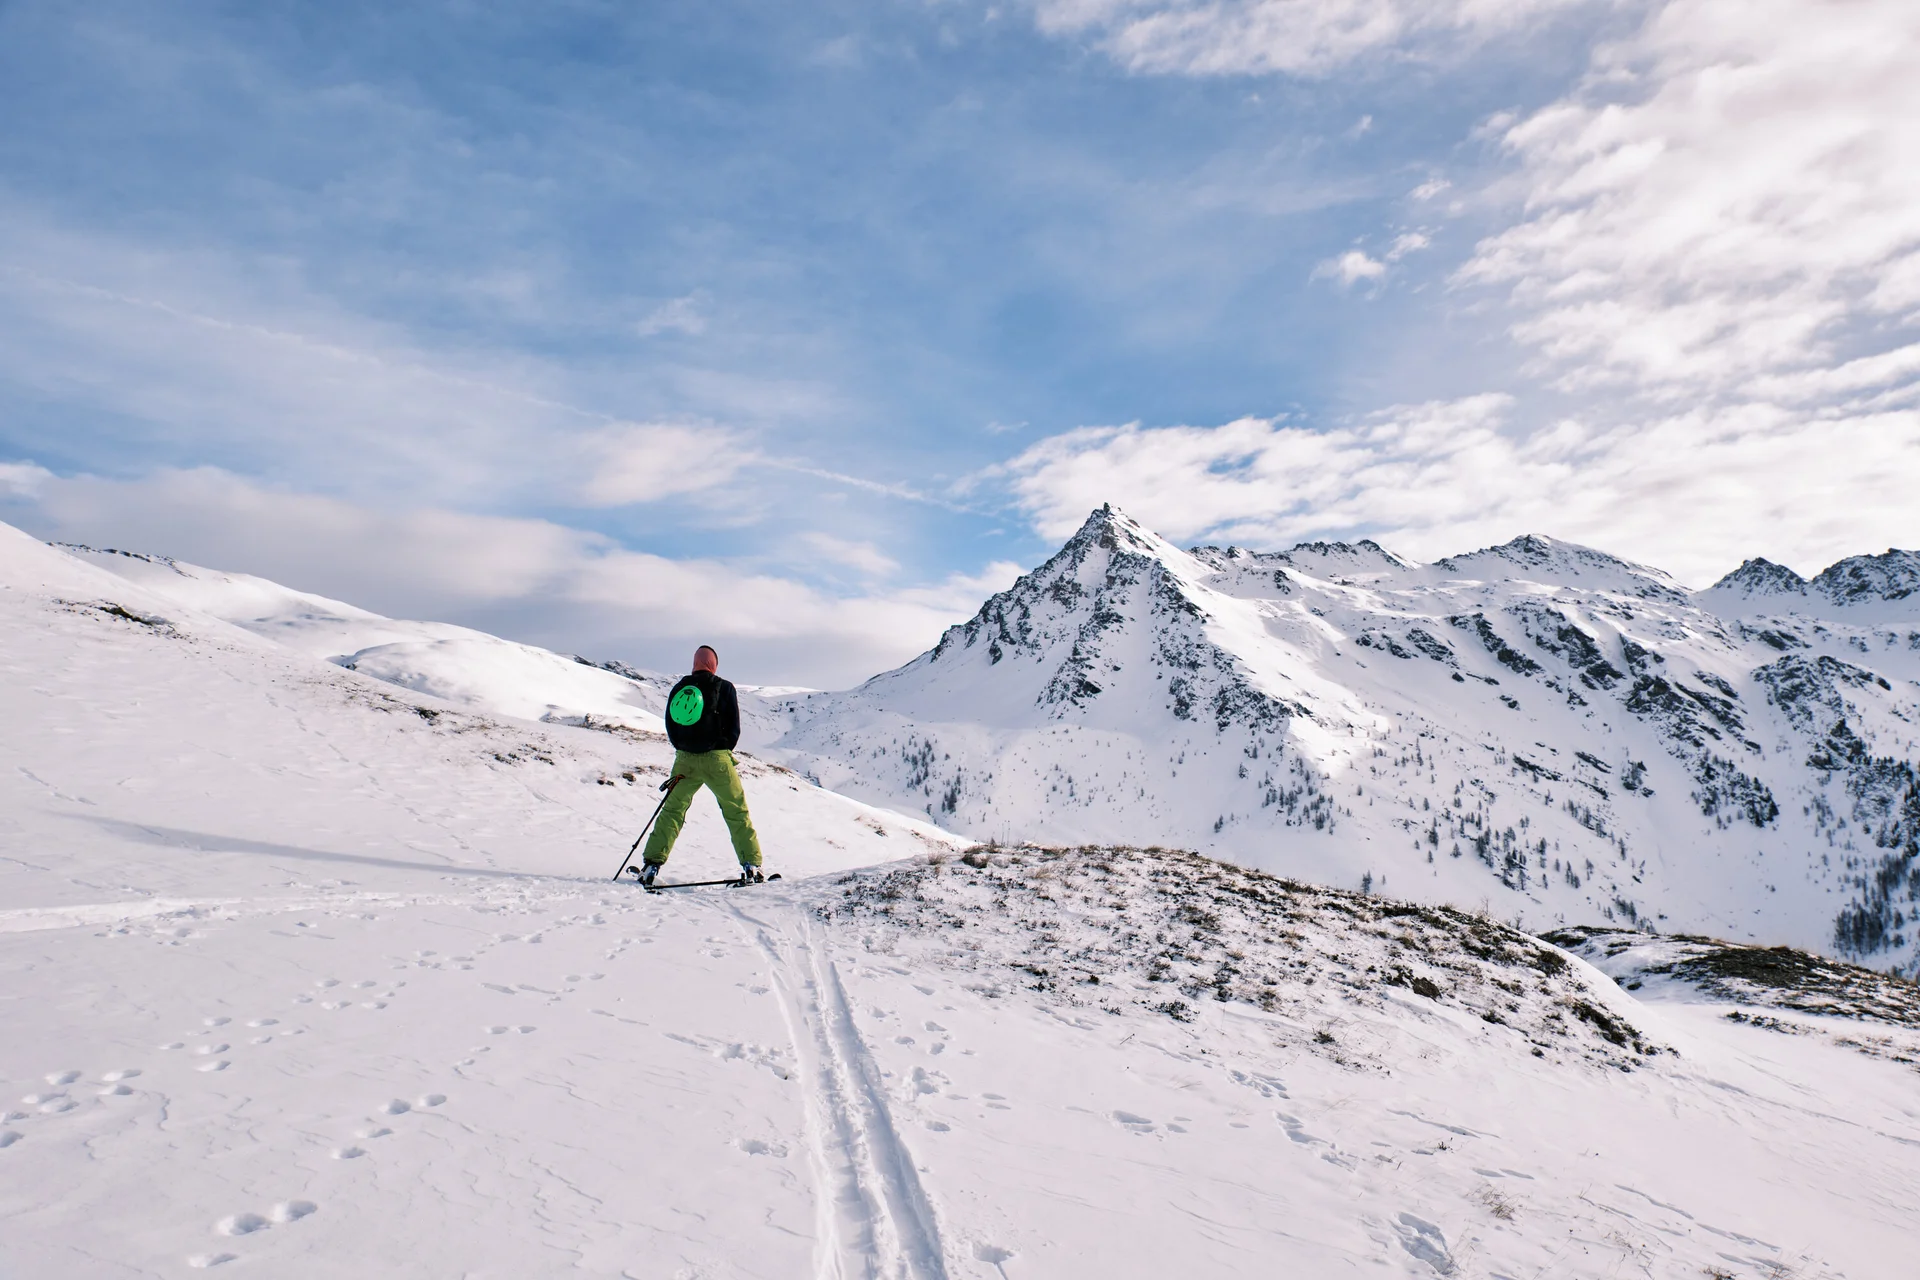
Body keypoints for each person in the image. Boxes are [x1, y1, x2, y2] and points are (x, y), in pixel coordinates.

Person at [635, 645, 765, 886]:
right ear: (713, 664)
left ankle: (651, 865)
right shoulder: (724, 687)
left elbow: (671, 726)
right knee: (736, 811)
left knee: (672, 811)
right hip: (718, 760)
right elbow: (734, 728)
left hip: (685, 761)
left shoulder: (680, 688)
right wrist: (721, 748)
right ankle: (751, 866)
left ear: (695, 663)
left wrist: (684, 748)